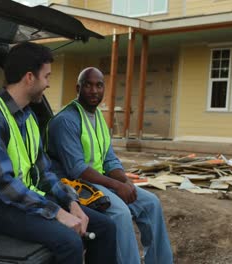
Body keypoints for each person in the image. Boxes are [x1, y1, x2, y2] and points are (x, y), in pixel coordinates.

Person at [0, 43, 117, 264]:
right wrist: (57, 213)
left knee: (106, 226)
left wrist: (71, 202)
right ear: (30, 77)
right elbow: (4, 184)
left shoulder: (29, 117)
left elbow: (45, 173)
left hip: (24, 198)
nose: (49, 84)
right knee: (69, 242)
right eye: (47, 77)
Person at [47, 67, 173, 264]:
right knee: (120, 213)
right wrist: (116, 186)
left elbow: (109, 160)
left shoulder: (98, 119)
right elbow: (77, 169)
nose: (94, 91)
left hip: (99, 182)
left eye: (99, 85)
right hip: (75, 184)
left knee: (151, 203)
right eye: (88, 85)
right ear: (78, 88)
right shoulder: (65, 121)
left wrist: (125, 181)